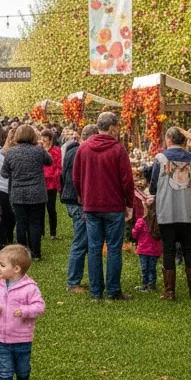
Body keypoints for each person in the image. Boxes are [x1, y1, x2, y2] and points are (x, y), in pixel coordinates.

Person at [72, 111, 135, 301]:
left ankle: (96, 291)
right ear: (112, 127)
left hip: (91, 206)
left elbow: (76, 178)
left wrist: (83, 196)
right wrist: (129, 203)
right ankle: (113, 290)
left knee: (94, 248)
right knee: (114, 248)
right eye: (117, 127)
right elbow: (127, 180)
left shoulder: (83, 149)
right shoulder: (117, 149)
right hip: (113, 205)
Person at [0, 244, 45, 380]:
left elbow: (40, 307)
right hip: (2, 338)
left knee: (23, 368)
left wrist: (25, 311)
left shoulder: (30, 288)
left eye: (2, 265)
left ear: (16, 269)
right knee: (5, 369)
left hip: (22, 339)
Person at [149, 126, 191, 300]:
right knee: (189, 249)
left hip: (168, 210)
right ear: (185, 140)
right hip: (189, 211)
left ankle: (170, 291)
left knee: (169, 249)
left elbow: (154, 186)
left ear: (168, 139)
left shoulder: (160, 158)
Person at [1, 124, 52, 260]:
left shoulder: (11, 152)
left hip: (18, 193)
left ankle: (22, 253)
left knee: (21, 223)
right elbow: (49, 161)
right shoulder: (38, 151)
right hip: (37, 192)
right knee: (35, 223)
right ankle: (35, 253)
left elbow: (4, 173)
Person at [61, 124, 96, 293]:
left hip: (71, 199)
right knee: (81, 241)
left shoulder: (71, 151)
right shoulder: (82, 152)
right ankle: (73, 282)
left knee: (84, 241)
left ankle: (80, 279)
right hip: (78, 201)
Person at [131, 201, 162, 292]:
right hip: (155, 250)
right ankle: (151, 285)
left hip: (143, 249)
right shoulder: (159, 222)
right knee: (152, 268)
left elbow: (134, 234)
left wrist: (134, 230)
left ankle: (145, 284)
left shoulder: (141, 221)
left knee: (145, 268)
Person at [42, 130, 63, 240]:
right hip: (40, 183)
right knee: (40, 209)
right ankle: (40, 232)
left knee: (51, 208)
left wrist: (52, 175)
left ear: (50, 139)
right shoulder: (39, 150)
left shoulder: (56, 150)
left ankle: (53, 233)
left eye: (45, 137)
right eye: (42, 137)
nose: (43, 140)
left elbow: (59, 167)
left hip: (51, 184)